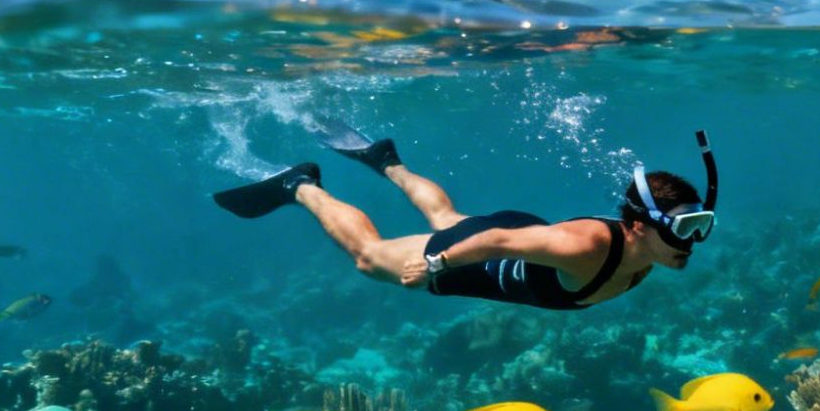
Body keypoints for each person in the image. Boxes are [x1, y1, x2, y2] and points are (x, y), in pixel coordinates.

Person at [211, 127, 718, 310]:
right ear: (635, 225)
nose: (691, 241)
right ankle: (300, 185)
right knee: (369, 259)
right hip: (484, 254)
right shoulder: (585, 247)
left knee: (446, 214)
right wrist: (437, 265)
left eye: (698, 225)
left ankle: (386, 161)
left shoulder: (648, 252)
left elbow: (509, 236)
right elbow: (497, 239)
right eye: (681, 228)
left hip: (521, 237)